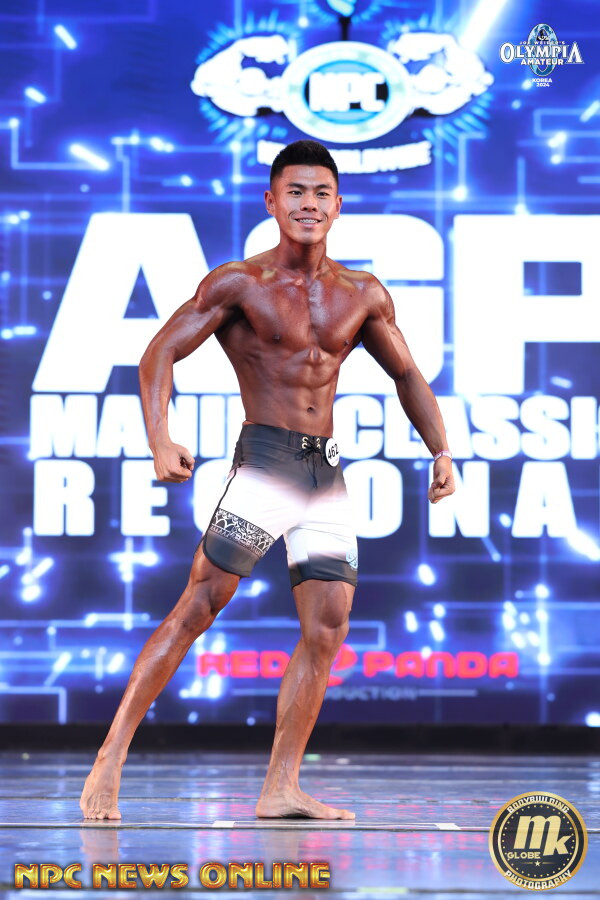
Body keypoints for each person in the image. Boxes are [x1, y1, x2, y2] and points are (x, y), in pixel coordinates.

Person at [80, 139, 455, 821]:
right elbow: (159, 352)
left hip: (323, 474)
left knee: (328, 626)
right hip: (267, 464)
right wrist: (160, 438)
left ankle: (281, 786)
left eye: (321, 193)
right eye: (295, 193)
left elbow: (406, 373)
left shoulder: (362, 293)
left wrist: (442, 450)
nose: (309, 204)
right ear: (272, 202)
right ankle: (110, 758)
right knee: (200, 605)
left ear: (338, 205)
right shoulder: (240, 283)